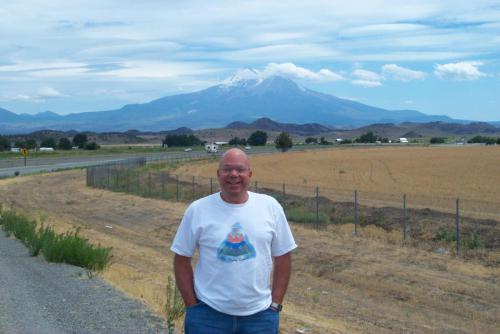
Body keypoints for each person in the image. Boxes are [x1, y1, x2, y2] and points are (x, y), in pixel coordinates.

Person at [171, 148, 297, 334]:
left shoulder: (270, 206)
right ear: (218, 174)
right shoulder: (198, 209)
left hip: (260, 317)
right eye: (227, 169)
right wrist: (193, 307)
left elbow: (283, 257)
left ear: (250, 174)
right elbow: (181, 259)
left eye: (240, 169)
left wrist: (275, 304)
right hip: (208, 316)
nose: (233, 175)